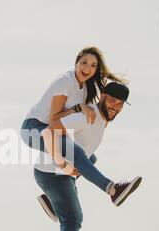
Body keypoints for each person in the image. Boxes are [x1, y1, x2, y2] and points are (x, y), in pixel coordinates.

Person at [34, 82, 142, 231]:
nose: (115, 107)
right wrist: (59, 162)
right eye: (112, 100)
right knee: (72, 220)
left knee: (90, 159)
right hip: (51, 172)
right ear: (102, 97)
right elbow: (49, 130)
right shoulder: (86, 116)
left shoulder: (101, 119)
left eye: (120, 104)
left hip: (59, 174)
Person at [20, 46, 137, 208]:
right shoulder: (65, 82)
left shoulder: (86, 87)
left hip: (52, 131)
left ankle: (52, 199)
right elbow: (53, 119)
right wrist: (78, 108)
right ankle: (112, 190)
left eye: (93, 65)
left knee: (90, 157)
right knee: (76, 152)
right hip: (33, 129)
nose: (87, 68)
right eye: (84, 63)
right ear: (76, 63)